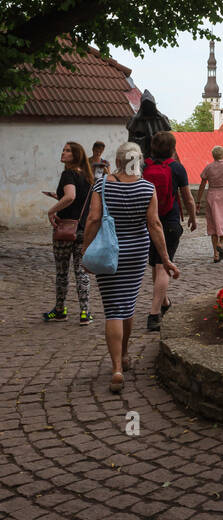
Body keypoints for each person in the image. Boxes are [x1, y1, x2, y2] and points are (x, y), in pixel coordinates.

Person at [81, 141, 179, 393]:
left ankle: (116, 368)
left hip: (108, 252)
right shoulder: (147, 188)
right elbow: (155, 225)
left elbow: (93, 219)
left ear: (119, 160)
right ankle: (125, 355)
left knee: (113, 308)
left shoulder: (102, 185)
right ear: (139, 162)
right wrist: (165, 259)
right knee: (128, 305)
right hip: (136, 252)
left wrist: (85, 250)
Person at [143, 131, 195, 333]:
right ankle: (154, 314)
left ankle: (164, 302)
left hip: (149, 222)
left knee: (156, 266)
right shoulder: (177, 168)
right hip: (171, 221)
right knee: (164, 265)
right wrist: (192, 216)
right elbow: (187, 198)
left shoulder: (145, 166)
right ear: (173, 147)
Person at [43, 142, 94, 324]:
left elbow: (70, 197)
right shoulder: (88, 177)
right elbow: (77, 200)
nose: (63, 153)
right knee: (81, 272)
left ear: (75, 155)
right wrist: (58, 197)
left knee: (62, 272)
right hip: (83, 229)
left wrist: (51, 210)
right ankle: (84, 312)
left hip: (65, 228)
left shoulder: (68, 174)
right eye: (63, 149)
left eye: (67, 150)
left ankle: (60, 310)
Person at [196, 144, 223, 262]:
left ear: (213, 156)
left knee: (213, 225)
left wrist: (198, 200)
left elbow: (202, 185)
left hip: (211, 196)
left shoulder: (208, 168)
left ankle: (215, 255)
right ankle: (220, 244)